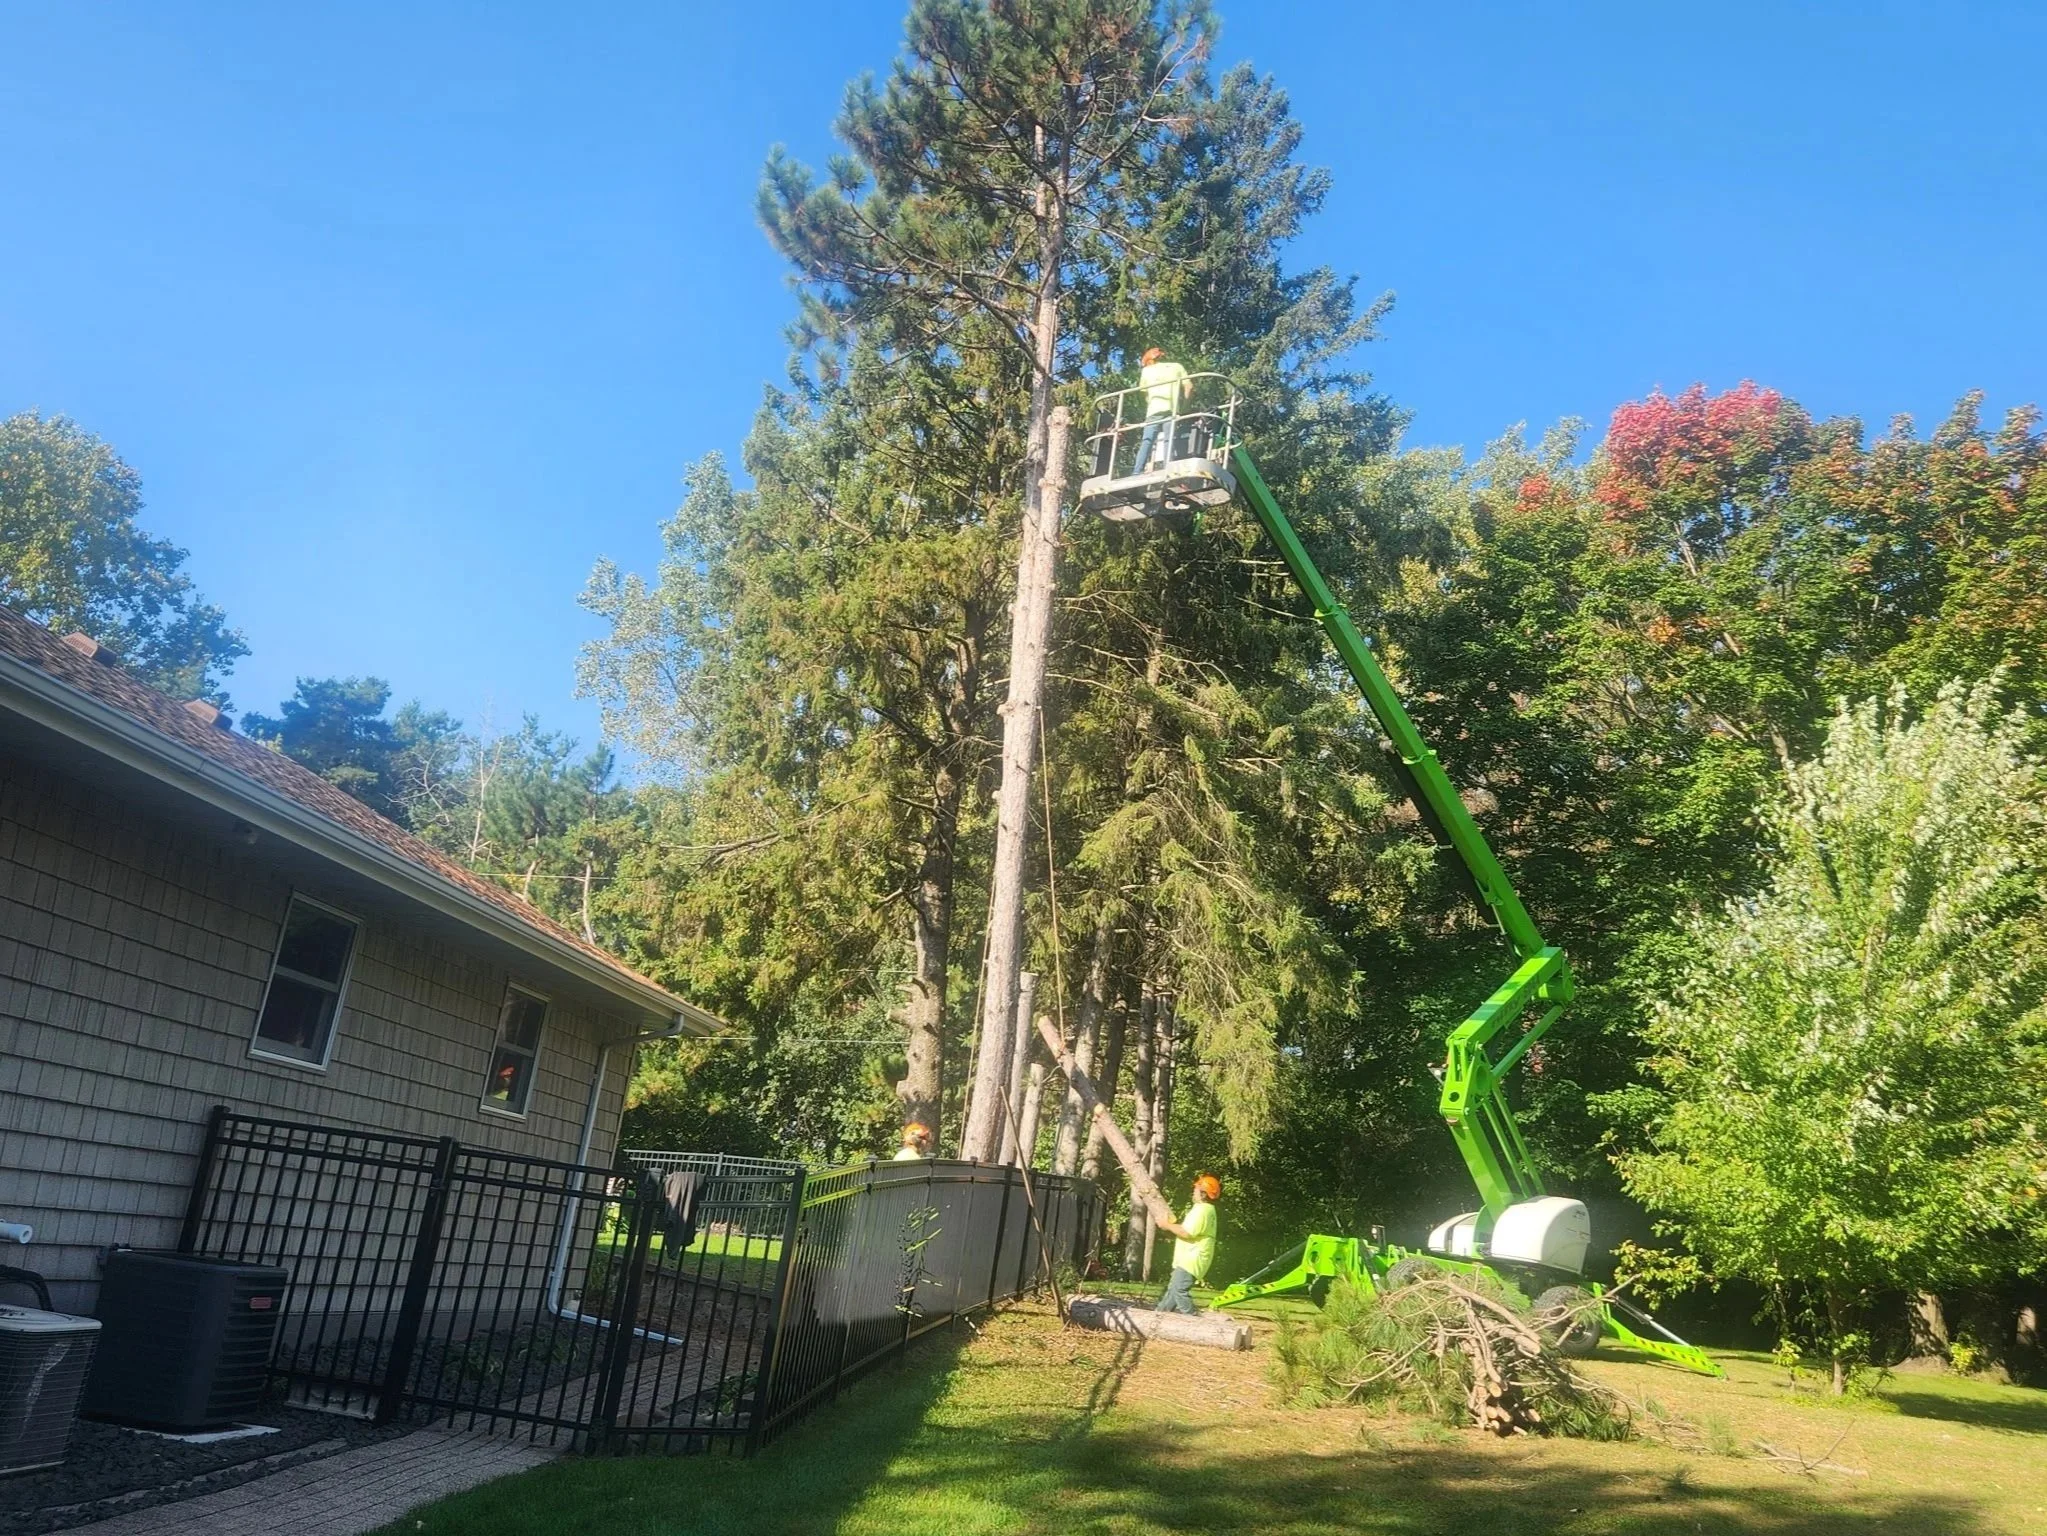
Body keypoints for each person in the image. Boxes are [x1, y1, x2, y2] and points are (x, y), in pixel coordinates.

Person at [1153, 1173, 1220, 1314]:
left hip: (1192, 1259)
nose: (1193, 1192)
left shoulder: (1202, 1210)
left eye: (1196, 1189)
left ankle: (1193, 1320)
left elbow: (1187, 1232)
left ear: (1203, 1194)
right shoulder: (1206, 1210)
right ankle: (1159, 1316)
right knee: (1172, 1291)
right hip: (1189, 1258)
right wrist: (1170, 1226)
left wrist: (1166, 1225)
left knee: (1178, 1290)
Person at [1133, 346, 1191, 470]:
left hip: (1153, 411)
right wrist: (1184, 407)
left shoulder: (1147, 371)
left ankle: (1136, 472)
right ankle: (1167, 469)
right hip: (1171, 409)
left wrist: (1149, 403)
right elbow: (1189, 387)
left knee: (1147, 441)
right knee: (1168, 440)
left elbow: (1145, 394)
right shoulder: (1177, 367)